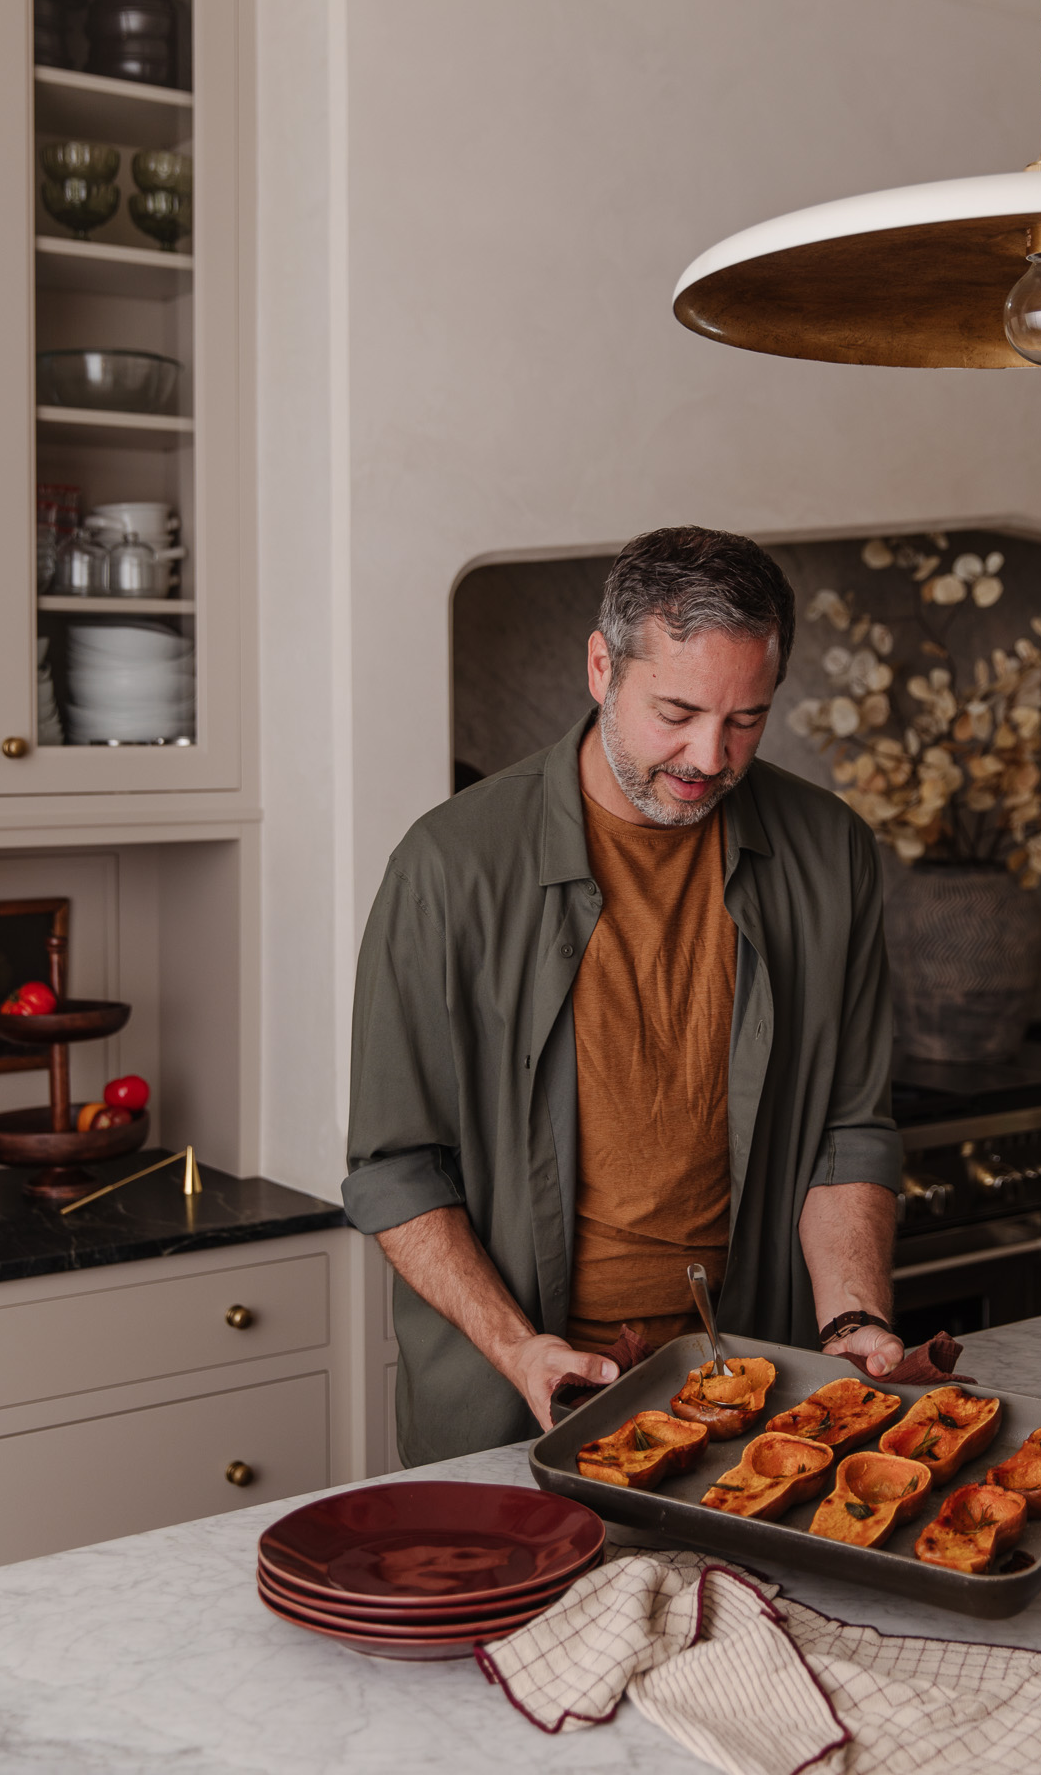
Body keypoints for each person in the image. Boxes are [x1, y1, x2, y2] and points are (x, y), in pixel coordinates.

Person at [344, 525, 903, 1466]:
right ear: (602, 667)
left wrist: (851, 1314)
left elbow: (848, 1131)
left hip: (749, 1392)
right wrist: (518, 1349)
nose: (708, 757)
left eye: (745, 720)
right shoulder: (449, 865)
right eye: (676, 710)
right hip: (515, 1400)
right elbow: (397, 1171)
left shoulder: (829, 852)